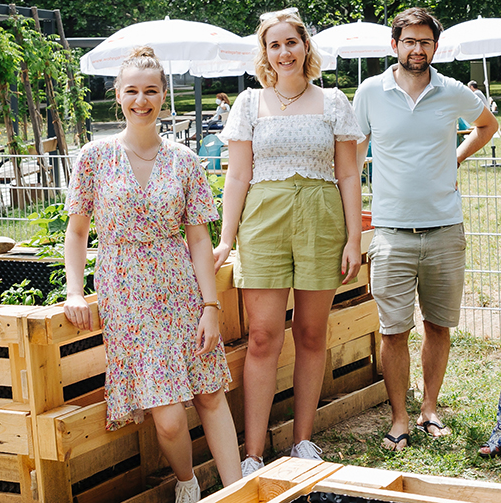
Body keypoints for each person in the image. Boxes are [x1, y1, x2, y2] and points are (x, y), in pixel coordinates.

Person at [63, 46, 241, 502]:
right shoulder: (94, 157)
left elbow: (199, 239)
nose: (141, 100)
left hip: (180, 287)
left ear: (164, 95)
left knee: (209, 394)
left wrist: (210, 305)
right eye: (132, 91)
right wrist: (75, 292)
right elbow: (79, 233)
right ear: (117, 96)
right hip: (126, 294)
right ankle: (187, 483)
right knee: (168, 417)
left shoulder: (184, 160)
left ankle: (240, 491)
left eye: (151, 91)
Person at [214, 8, 363, 476]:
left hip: (321, 218)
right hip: (263, 220)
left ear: (305, 48)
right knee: (263, 336)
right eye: (274, 45)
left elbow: (347, 173)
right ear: (265, 53)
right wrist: (225, 239)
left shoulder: (335, 101)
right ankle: (253, 453)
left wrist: (354, 236)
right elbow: (237, 176)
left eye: (291, 43)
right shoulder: (247, 104)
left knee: (312, 333)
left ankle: (302, 441)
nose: (284, 52)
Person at [353, 7, 498, 452]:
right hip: (392, 232)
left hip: (444, 230)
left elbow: (487, 125)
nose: (418, 49)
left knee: (438, 326)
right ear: (394, 45)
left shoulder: (452, 91)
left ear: (436, 47)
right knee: (394, 330)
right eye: (409, 41)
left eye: (426, 42)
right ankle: (399, 417)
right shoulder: (370, 93)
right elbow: (356, 154)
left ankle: (429, 409)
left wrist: (455, 157)